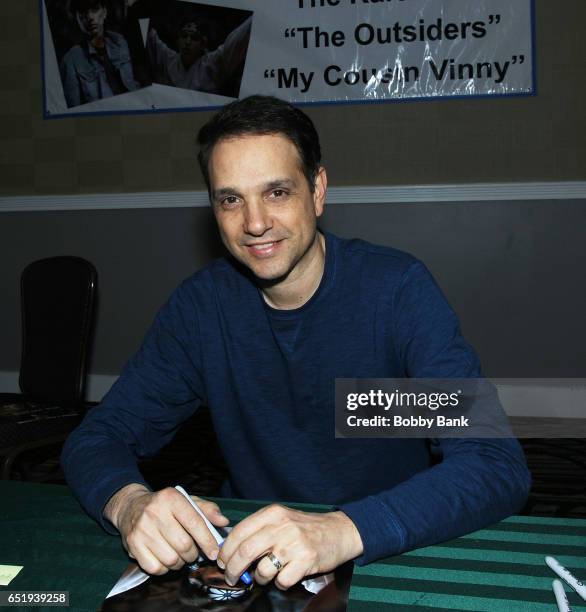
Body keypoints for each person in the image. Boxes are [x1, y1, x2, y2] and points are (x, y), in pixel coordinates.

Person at [62, 95, 531, 591]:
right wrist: (130, 503)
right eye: (230, 199)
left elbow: (493, 464)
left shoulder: (394, 291)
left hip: (387, 548)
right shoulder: (202, 309)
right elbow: (96, 438)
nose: (255, 222)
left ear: (318, 189)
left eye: (277, 192)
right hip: (247, 560)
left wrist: (342, 530)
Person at [60, 0, 139, 107]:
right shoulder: (71, 60)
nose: (90, 17)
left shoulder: (119, 42)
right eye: (83, 12)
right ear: (77, 18)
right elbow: (75, 109)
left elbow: (134, 83)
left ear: (104, 12)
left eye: (94, 9)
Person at [147, 15, 252, 95]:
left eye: (194, 38)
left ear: (203, 44)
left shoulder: (212, 63)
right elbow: (149, 35)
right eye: (184, 36)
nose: (187, 42)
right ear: (177, 40)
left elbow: (238, 39)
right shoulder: (167, 57)